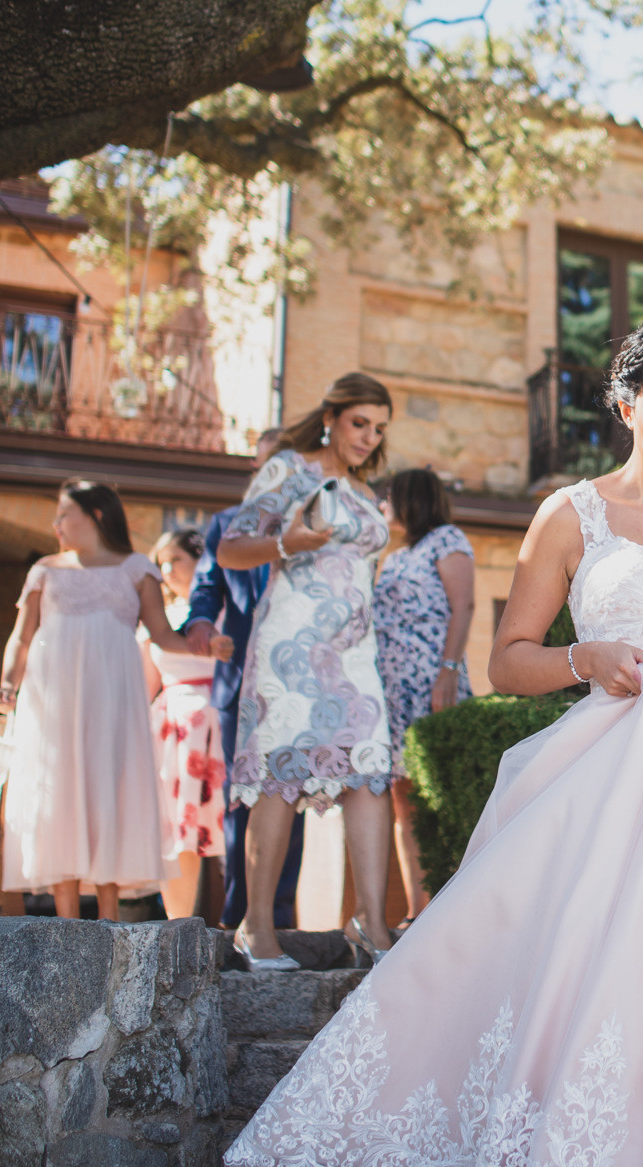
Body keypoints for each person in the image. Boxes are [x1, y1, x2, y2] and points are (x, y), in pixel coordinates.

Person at [225, 317, 643, 1164]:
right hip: (623, 775)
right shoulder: (570, 515)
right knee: (618, 984)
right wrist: (583, 657)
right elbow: (506, 661)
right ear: (624, 404)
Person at [216, 373, 400, 970]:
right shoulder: (289, 469)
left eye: (378, 429)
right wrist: (287, 544)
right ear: (331, 417)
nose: (369, 438)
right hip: (291, 644)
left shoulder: (362, 488)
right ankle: (256, 927)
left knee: (370, 772)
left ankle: (371, 922)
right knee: (282, 773)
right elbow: (230, 548)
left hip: (354, 652)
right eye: (359, 424)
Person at [0, 480, 196, 922]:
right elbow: (21, 638)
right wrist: (8, 682)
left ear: (97, 516)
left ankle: (109, 918)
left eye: (65, 514)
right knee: (60, 791)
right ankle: (66, 920)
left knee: (109, 786)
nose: (56, 524)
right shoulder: (45, 569)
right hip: (55, 703)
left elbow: (162, 634)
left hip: (113, 701)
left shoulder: (137, 568)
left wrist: (207, 646)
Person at [184, 428, 307, 934]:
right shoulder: (226, 525)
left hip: (299, 687)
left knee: (290, 803)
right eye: (263, 466)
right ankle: (237, 921)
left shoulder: (317, 526)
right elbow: (206, 589)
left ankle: (279, 922)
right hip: (240, 683)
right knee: (240, 805)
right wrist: (203, 628)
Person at [373, 466, 476, 925]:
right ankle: (418, 910)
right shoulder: (394, 556)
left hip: (431, 679)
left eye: (388, 497)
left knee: (439, 794)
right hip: (392, 690)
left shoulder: (446, 540)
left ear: (410, 499)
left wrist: (447, 673)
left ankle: (451, 912)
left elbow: (464, 605)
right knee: (403, 798)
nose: (382, 506)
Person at [141, 528, 231, 919]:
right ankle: (177, 927)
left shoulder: (226, 611)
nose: (167, 568)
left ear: (200, 560)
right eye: (161, 561)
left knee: (228, 828)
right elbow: (147, 683)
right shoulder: (156, 618)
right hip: (171, 731)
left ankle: (240, 924)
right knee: (178, 834)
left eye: (176, 558)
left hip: (220, 720)